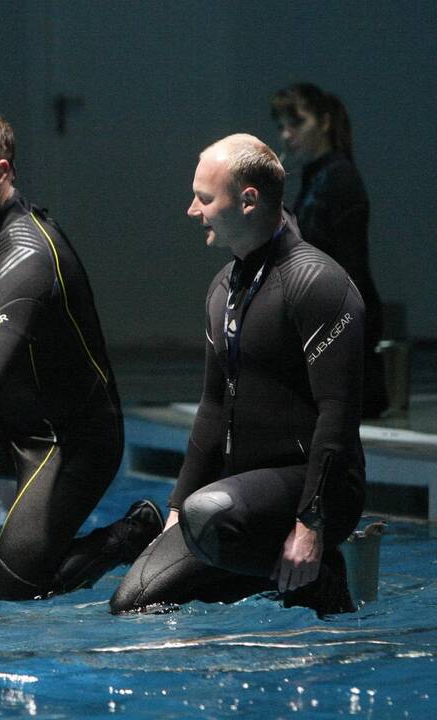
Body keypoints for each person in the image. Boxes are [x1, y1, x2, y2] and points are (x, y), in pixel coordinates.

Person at [0, 108, 163, 601]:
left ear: (1, 172)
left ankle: (128, 535)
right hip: (16, 424)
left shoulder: (28, 253)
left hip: (70, 445)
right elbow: (18, 349)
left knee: (12, 598)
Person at [110, 135, 365, 616]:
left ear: (248, 200)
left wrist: (311, 522)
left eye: (204, 198)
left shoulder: (317, 283)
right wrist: (175, 510)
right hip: (240, 501)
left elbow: (340, 413)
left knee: (208, 514)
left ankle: (321, 577)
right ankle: (272, 574)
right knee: (134, 601)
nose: (192, 210)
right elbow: (211, 406)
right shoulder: (224, 288)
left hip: (315, 490)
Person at [271, 83, 387, 418]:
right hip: (326, 319)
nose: (287, 135)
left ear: (324, 122)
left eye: (297, 124)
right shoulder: (316, 177)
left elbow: (350, 266)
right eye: (281, 126)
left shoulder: (339, 178)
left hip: (341, 323)